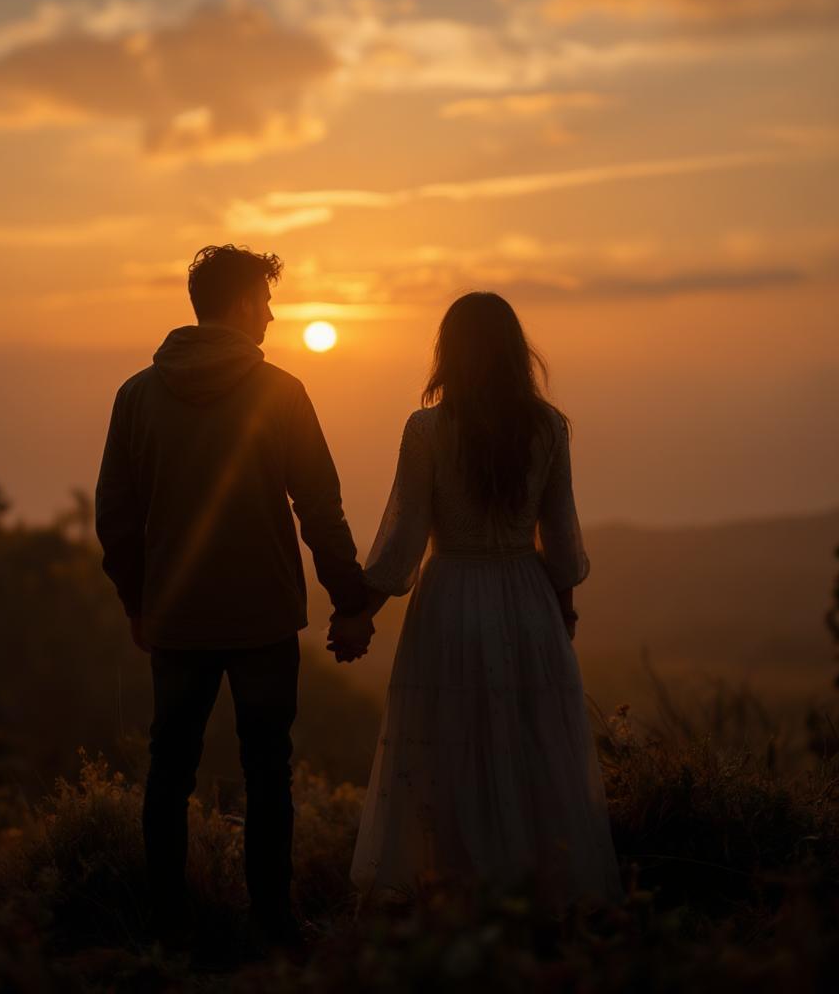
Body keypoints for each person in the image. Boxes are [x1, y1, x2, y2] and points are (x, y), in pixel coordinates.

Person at [95, 244, 373, 957]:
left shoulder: (136, 395)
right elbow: (321, 508)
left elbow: (115, 518)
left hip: (178, 616)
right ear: (245, 303)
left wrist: (139, 602)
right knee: (267, 768)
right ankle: (273, 924)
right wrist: (351, 601)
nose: (275, 314)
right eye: (268, 300)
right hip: (263, 616)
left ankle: (166, 925)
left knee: (169, 768)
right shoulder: (280, 391)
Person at [328, 291, 623, 911]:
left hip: (451, 601)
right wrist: (562, 607)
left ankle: (458, 894)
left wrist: (360, 615)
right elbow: (561, 536)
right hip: (527, 601)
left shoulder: (428, 430)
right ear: (517, 352)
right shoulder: (547, 428)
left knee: (450, 747)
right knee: (529, 745)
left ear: (448, 352)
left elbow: (403, 540)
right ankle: (536, 895)